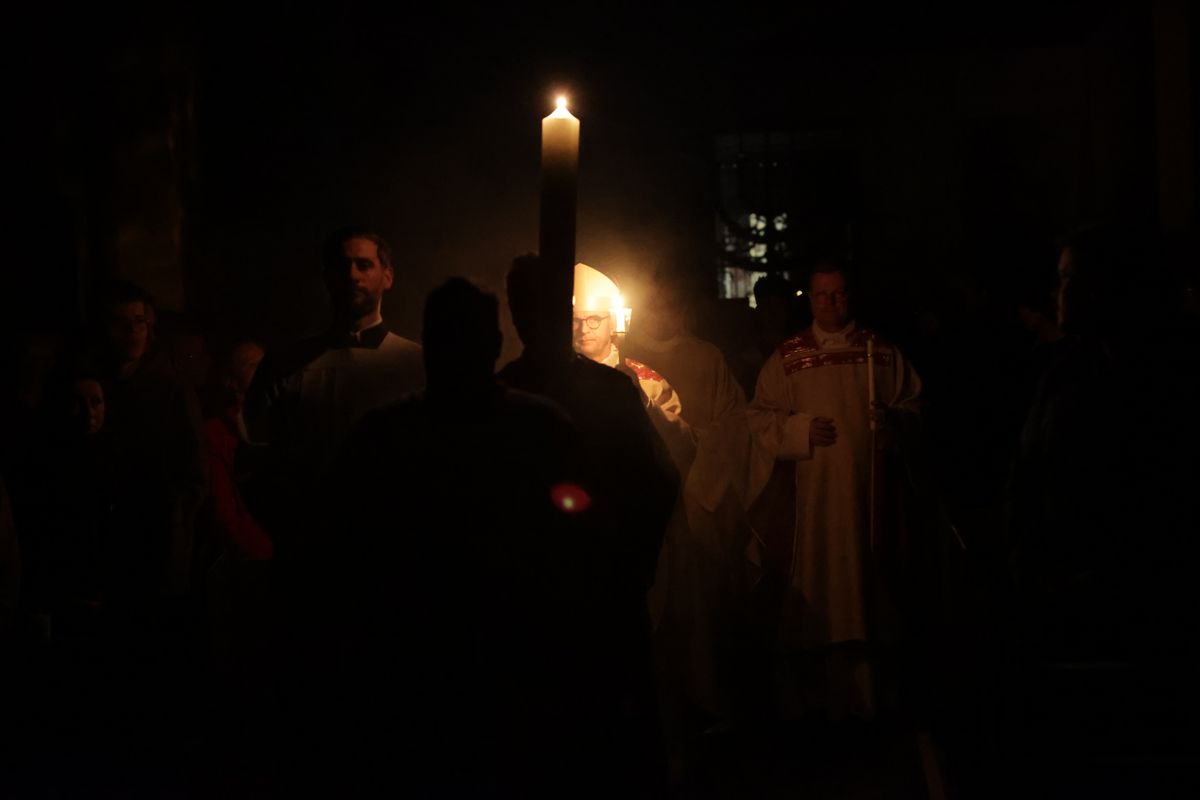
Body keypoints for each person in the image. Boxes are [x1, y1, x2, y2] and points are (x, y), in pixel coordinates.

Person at [303, 278, 592, 794]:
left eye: (464, 338)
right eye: (449, 338)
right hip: (438, 662)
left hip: (476, 661)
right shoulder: (539, 428)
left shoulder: (387, 435)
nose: (457, 352)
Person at [498, 254, 677, 795]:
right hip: (554, 599)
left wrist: (629, 567)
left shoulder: (613, 388)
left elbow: (660, 480)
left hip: (589, 593)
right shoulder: (505, 395)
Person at [748, 259, 922, 720]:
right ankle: (812, 708)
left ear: (851, 296)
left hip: (868, 503)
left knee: (866, 595)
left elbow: (916, 407)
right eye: (822, 294)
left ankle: (871, 705)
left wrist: (894, 423)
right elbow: (758, 418)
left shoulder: (880, 354)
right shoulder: (788, 358)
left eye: (839, 293)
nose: (831, 303)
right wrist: (798, 430)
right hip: (811, 505)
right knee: (815, 592)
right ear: (811, 297)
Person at [243, 227, 423, 552]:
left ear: (387, 276)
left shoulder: (419, 365)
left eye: (364, 265)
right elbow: (255, 455)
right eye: (343, 266)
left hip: (397, 546)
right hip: (311, 547)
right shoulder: (285, 364)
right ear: (326, 277)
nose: (352, 275)